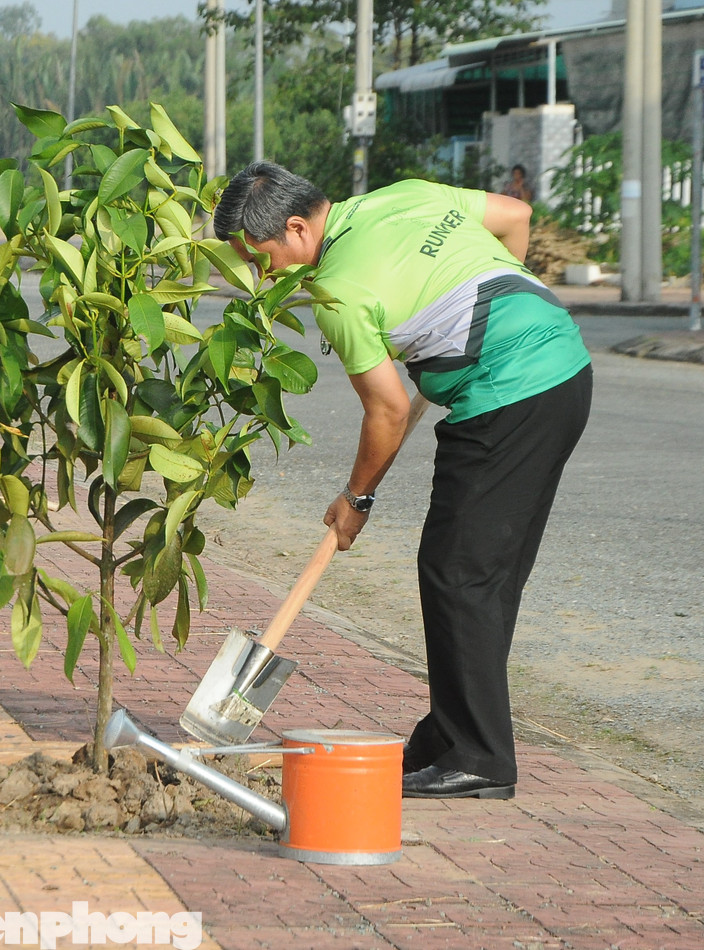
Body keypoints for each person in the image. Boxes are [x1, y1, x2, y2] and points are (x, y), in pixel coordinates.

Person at [214, 162, 592, 801]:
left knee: (457, 574)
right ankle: (451, 736)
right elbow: (514, 218)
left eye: (261, 258)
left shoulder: (339, 289)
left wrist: (356, 499)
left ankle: (480, 758)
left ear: (297, 227)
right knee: (483, 576)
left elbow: (386, 410)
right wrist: (490, 322)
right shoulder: (404, 197)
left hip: (509, 397)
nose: (263, 275)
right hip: (564, 364)